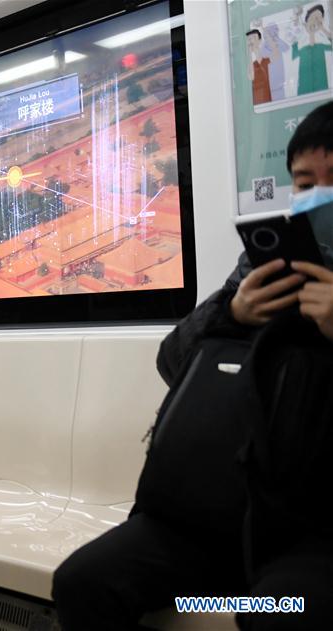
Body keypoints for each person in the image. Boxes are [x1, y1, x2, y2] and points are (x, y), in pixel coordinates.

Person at [52, 101, 333, 630]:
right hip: (218, 514)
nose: (318, 196)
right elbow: (173, 360)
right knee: (85, 583)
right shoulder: (263, 269)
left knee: (276, 611)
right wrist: (233, 313)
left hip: (314, 535)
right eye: (304, 182)